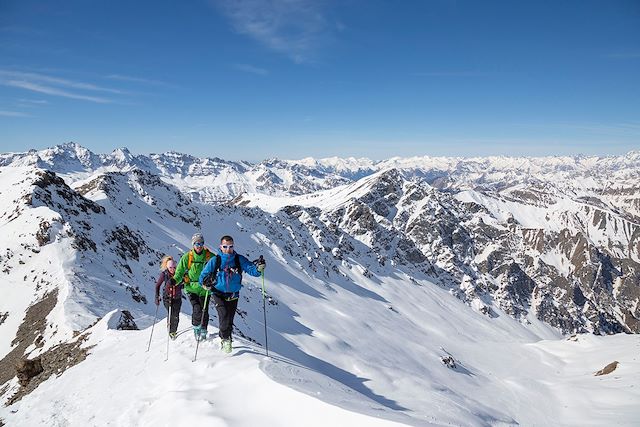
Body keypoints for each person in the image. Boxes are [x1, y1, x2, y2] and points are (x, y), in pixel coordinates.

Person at [199, 235, 265, 353]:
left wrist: (259, 268)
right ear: (221, 247)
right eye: (225, 246)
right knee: (223, 316)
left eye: (230, 246)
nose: (228, 249)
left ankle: (225, 336)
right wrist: (205, 284)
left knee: (229, 319)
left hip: (233, 294)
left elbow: (252, 270)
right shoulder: (216, 260)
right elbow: (202, 277)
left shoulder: (238, 259)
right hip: (218, 293)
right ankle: (226, 340)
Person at [173, 233, 213, 341]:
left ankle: (204, 329)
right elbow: (179, 272)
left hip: (205, 289)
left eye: (201, 243)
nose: (199, 246)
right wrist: (174, 281)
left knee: (205, 310)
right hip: (191, 288)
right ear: (193, 244)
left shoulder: (210, 256)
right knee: (197, 309)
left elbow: (219, 268)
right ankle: (196, 328)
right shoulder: (187, 257)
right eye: (196, 243)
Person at [154, 256, 181, 340]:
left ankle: (174, 331)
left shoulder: (179, 273)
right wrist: (157, 296)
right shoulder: (164, 274)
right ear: (167, 267)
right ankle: (171, 331)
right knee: (172, 313)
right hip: (167, 297)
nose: (172, 269)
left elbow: (183, 283)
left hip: (177, 297)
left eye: (174, 267)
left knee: (176, 315)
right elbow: (158, 285)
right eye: (170, 267)